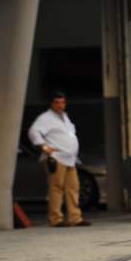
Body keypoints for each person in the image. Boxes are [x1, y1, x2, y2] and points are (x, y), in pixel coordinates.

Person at [28, 92, 90, 227]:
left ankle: (75, 217)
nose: (60, 105)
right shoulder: (45, 118)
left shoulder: (65, 117)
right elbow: (33, 131)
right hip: (56, 157)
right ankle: (56, 218)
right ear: (51, 104)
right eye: (57, 102)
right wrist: (43, 146)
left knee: (73, 187)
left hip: (70, 159)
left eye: (62, 102)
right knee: (56, 188)